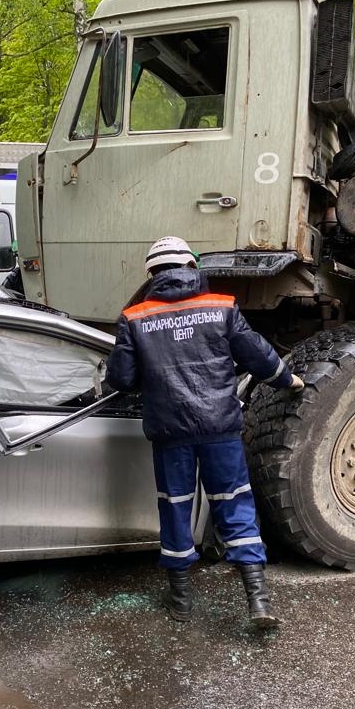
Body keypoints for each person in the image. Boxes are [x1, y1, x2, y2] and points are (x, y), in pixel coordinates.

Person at [105, 236, 304, 630]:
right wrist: (288, 379)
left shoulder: (134, 317)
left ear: (151, 274)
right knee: (234, 505)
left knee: (176, 508)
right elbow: (258, 354)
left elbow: (121, 380)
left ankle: (180, 601)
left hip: (170, 432)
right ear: (192, 267)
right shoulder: (222, 307)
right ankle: (258, 602)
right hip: (220, 429)